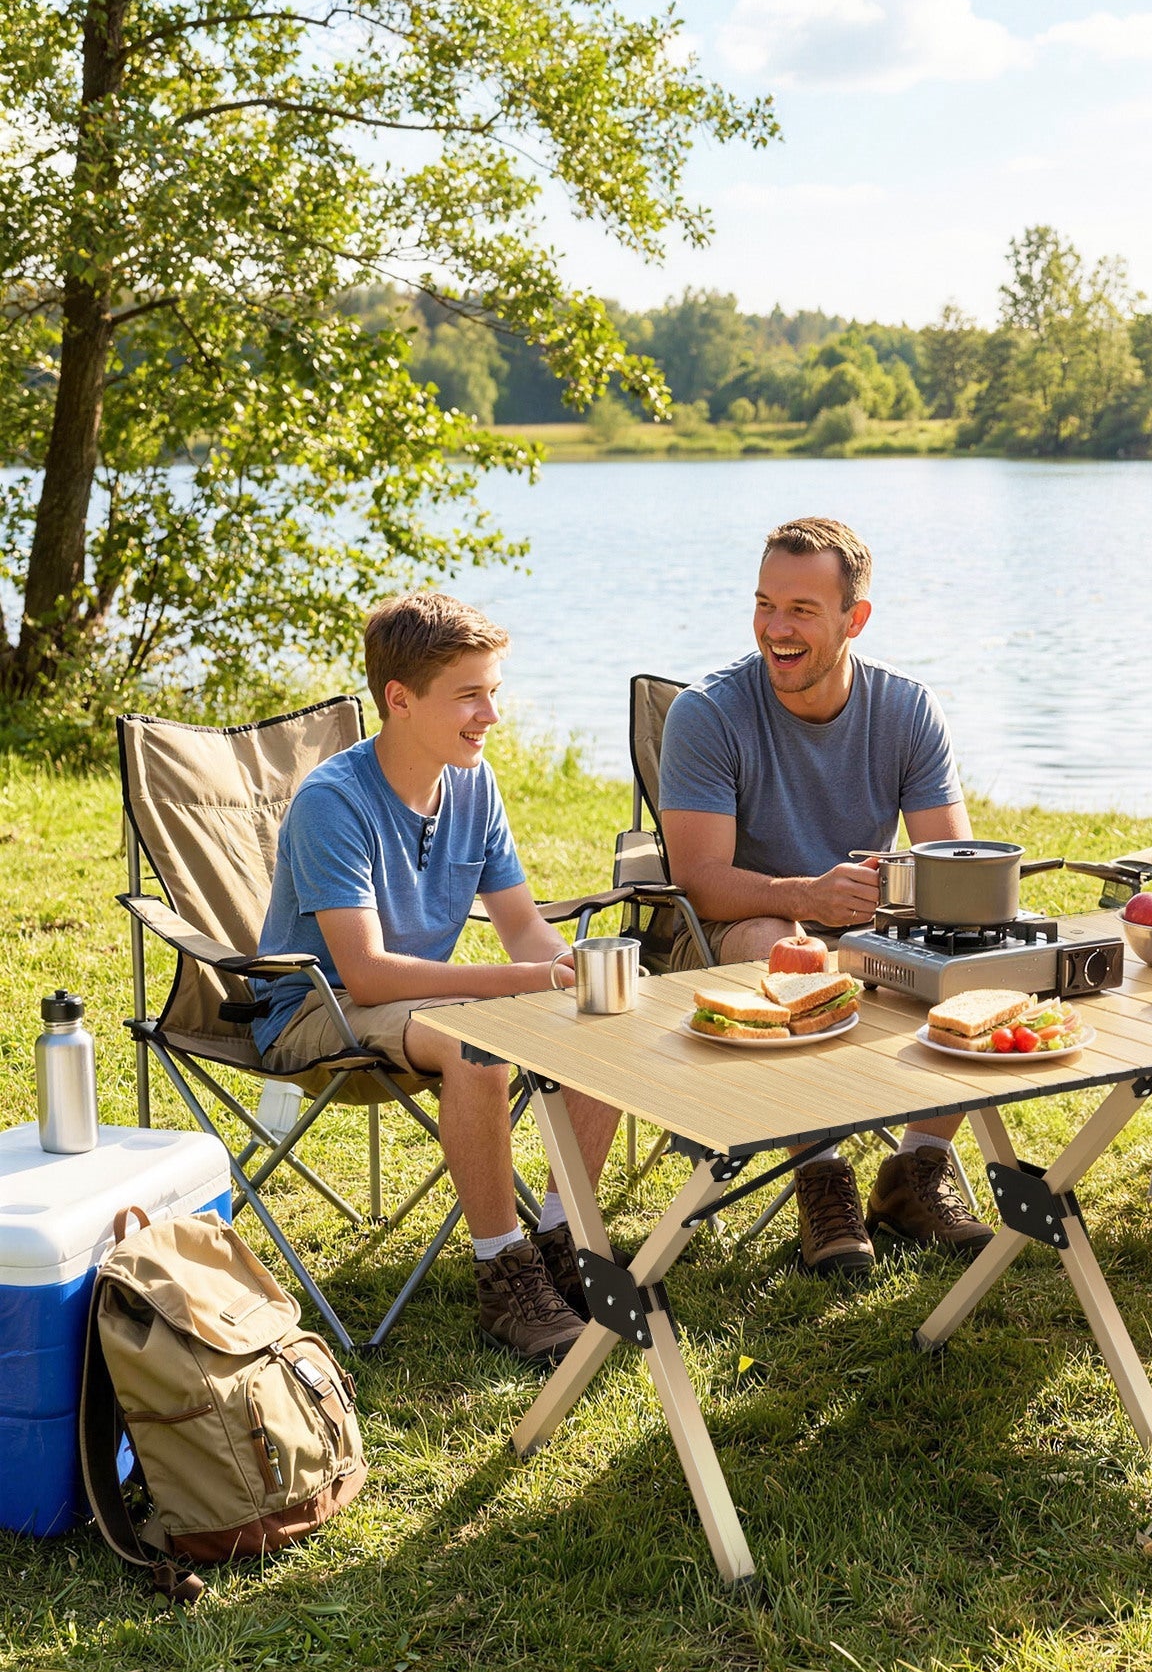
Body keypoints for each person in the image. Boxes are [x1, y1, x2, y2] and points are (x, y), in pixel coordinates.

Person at [254, 592, 622, 1365]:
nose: (491, 714)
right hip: (318, 1008)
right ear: (400, 700)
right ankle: (502, 1271)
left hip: (423, 1001)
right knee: (477, 1044)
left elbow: (521, 925)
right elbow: (367, 973)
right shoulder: (333, 803)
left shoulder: (473, 783)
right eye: (469, 695)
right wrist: (522, 984)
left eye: (494, 691)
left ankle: (562, 1239)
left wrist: (567, 969)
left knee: (599, 1012)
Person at [657, 516, 991, 1276]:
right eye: (764, 604)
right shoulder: (709, 713)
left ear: (854, 619)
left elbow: (951, 862)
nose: (776, 628)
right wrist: (808, 894)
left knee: (978, 944)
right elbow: (699, 879)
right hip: (722, 932)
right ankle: (822, 1174)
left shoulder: (906, 711)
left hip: (861, 930)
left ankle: (918, 1171)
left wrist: (905, 900)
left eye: (801, 610)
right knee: (782, 942)